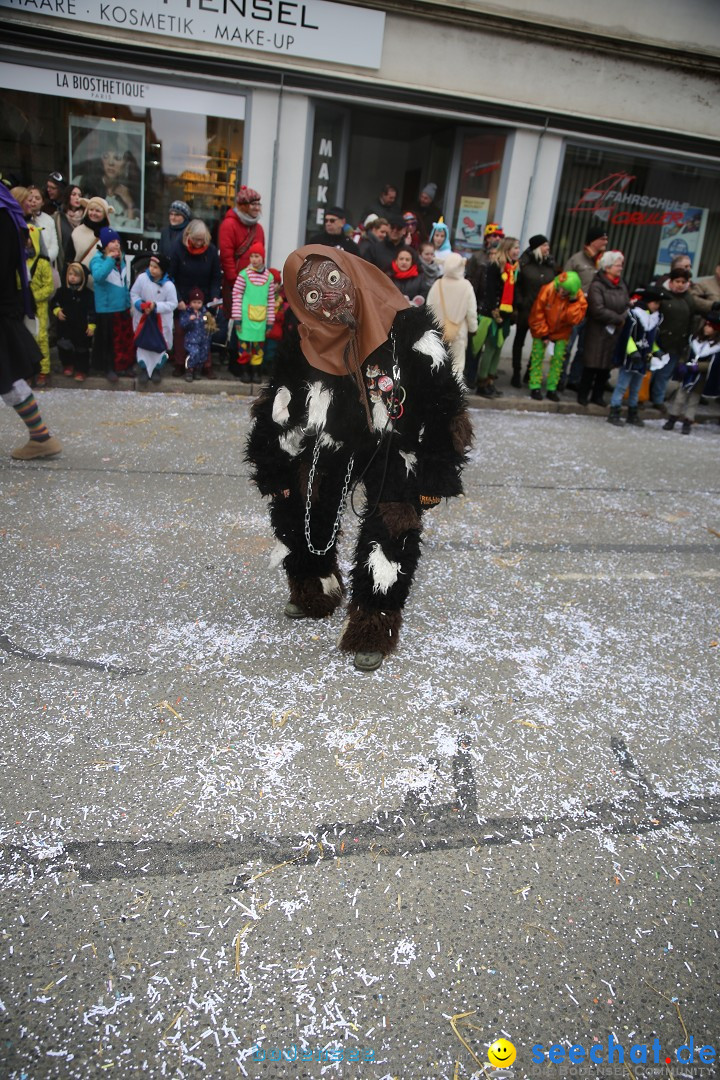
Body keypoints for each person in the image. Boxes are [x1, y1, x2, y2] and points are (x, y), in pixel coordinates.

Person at [245, 244, 472, 672]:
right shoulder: (307, 339)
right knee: (306, 503)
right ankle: (314, 586)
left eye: (332, 282)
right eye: (310, 295)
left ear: (352, 275)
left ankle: (374, 624)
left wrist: (436, 474)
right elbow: (278, 403)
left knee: (390, 531)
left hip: (394, 446)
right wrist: (271, 465)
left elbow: (446, 403)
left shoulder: (409, 328)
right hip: (335, 440)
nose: (327, 300)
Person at [0, 183, 62, 460]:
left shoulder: (3, 214)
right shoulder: (7, 213)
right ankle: (40, 436)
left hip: (2, 308)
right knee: (8, 376)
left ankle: (40, 437)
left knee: (8, 376)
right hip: (5, 306)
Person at [169, 218, 222, 378]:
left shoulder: (211, 251)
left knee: (206, 331)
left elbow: (215, 277)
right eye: (196, 239)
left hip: (204, 297)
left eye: (202, 240)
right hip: (183, 297)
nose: (199, 243)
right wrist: (177, 298)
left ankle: (206, 364)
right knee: (180, 331)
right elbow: (172, 276)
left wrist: (214, 297)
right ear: (188, 236)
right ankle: (180, 363)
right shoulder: (178, 249)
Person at [577, 249, 629, 407]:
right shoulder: (597, 285)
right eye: (618, 265)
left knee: (606, 365)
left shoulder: (622, 285)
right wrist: (618, 318)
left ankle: (597, 395)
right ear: (607, 267)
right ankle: (583, 394)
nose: (620, 268)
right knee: (592, 364)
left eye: (621, 265)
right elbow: (597, 309)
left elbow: (627, 303)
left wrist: (623, 317)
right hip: (597, 330)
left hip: (615, 331)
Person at [527, 271, 587, 402]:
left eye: (565, 291)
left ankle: (552, 388)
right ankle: (535, 386)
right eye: (561, 288)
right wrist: (543, 334)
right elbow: (537, 313)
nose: (561, 292)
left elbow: (574, 319)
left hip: (562, 334)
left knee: (558, 361)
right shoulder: (548, 290)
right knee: (537, 358)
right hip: (542, 330)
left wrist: (573, 302)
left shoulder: (578, 298)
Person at [562, 226, 609, 391]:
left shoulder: (604, 262)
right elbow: (564, 281)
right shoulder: (577, 259)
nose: (606, 242)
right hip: (575, 311)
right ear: (593, 241)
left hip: (593, 313)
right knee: (567, 347)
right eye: (602, 239)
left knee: (584, 349)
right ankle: (560, 379)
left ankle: (574, 380)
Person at [607, 287, 662, 427]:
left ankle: (632, 412)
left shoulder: (654, 319)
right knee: (622, 386)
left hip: (644, 359)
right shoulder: (634, 316)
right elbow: (627, 337)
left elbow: (651, 340)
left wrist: (656, 351)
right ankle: (614, 411)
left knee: (636, 388)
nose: (657, 307)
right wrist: (632, 351)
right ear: (648, 302)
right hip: (631, 358)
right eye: (655, 303)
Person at [474, 236, 520, 398]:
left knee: (498, 349)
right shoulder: (495, 266)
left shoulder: (513, 268)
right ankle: (482, 382)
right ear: (507, 249)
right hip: (493, 315)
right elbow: (491, 291)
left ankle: (490, 381)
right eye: (515, 247)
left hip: (506, 315)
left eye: (518, 248)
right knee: (491, 348)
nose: (517, 251)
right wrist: (495, 312)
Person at [662, 310, 720, 434]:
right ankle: (672, 418)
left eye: (710, 327)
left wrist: (697, 366)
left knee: (693, 401)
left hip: (700, 378)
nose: (707, 328)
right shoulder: (695, 340)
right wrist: (682, 363)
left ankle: (688, 421)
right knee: (679, 398)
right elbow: (685, 353)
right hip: (687, 374)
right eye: (706, 325)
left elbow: (713, 364)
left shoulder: (716, 347)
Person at [89, 226, 133, 382]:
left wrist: (128, 302)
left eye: (117, 241)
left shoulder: (121, 259)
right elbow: (98, 276)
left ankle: (124, 365)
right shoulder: (98, 259)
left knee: (124, 339)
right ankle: (108, 368)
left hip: (122, 306)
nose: (116, 244)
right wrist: (109, 259)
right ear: (105, 244)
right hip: (107, 308)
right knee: (108, 342)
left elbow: (124, 282)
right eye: (112, 241)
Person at [650, 266, 697, 412]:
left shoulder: (688, 298)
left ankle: (657, 399)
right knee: (651, 371)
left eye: (683, 281)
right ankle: (641, 397)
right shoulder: (662, 294)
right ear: (671, 281)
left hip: (677, 343)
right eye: (677, 281)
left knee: (664, 374)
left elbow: (692, 319)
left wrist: (688, 340)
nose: (680, 284)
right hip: (660, 341)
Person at [511, 234, 555, 388]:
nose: (547, 248)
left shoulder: (550, 265)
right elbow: (516, 285)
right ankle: (516, 372)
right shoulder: (523, 263)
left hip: (542, 312)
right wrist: (520, 302)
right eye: (544, 245)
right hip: (526, 309)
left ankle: (530, 373)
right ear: (536, 247)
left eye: (548, 246)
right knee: (519, 341)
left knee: (539, 343)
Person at [426, 252, 477, 383]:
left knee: (437, 364)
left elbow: (428, 307)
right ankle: (455, 395)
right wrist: (473, 328)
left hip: (437, 331)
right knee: (457, 366)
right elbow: (471, 312)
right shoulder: (466, 286)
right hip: (458, 332)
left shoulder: (437, 284)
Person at [230, 241, 276, 382]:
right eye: (252, 256)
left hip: (261, 320)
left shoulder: (269, 277)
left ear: (263, 258)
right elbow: (236, 295)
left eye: (257, 256)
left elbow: (271, 300)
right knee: (244, 347)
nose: (254, 260)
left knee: (258, 348)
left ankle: (256, 372)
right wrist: (237, 317)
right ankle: (244, 372)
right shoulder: (243, 275)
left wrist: (270, 321)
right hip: (245, 319)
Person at [130, 252, 178, 386]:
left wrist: (156, 306)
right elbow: (134, 293)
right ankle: (144, 369)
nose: (152, 269)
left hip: (160, 321)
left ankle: (156, 369)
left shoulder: (169, 286)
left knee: (158, 344)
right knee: (144, 343)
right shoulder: (141, 279)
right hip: (144, 319)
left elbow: (173, 303)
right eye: (151, 266)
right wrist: (140, 304)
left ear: (163, 270)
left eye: (156, 267)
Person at [218, 185, 264, 317]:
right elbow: (226, 256)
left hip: (255, 284)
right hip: (236, 283)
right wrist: (234, 281)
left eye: (258, 204)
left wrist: (260, 280)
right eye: (252, 204)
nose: (257, 207)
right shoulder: (229, 224)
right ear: (243, 205)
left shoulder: (259, 228)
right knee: (236, 317)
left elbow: (262, 256)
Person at [51, 262, 95, 382]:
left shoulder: (88, 294)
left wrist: (91, 325)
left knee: (82, 349)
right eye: (70, 274)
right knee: (64, 346)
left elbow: (92, 311)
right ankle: (67, 364)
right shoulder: (62, 292)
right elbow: (54, 303)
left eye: (76, 275)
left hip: (81, 327)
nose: (72, 277)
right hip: (65, 326)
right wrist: (57, 310)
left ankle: (82, 370)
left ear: (83, 278)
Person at [23, 222, 54, 387]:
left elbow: (48, 286)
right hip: (23, 306)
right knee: (24, 338)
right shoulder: (20, 261)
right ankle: (27, 372)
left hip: (39, 306)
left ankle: (44, 370)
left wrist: (33, 297)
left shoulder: (42, 262)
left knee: (41, 338)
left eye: (29, 237)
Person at [12, 185, 59, 266]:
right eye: (30, 200)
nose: (32, 202)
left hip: (40, 268)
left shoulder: (38, 223)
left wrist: (42, 260)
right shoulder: (11, 222)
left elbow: (47, 249)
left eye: (37, 198)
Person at [65, 197, 112, 275]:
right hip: (79, 282)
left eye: (97, 211)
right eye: (91, 210)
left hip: (102, 284)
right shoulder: (77, 232)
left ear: (105, 215)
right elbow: (68, 260)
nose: (93, 213)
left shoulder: (110, 235)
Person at [179, 288, 216, 382]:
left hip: (204, 339)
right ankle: (189, 370)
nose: (196, 304)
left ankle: (197, 370)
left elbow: (210, 325)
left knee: (202, 354)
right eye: (194, 302)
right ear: (190, 302)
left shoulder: (205, 313)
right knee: (193, 353)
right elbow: (182, 324)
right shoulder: (187, 312)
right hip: (191, 339)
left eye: (199, 302)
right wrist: (189, 320)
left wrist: (211, 324)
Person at [53, 184, 84, 276]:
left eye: (79, 195)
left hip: (81, 266)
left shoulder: (86, 219)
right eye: (73, 194)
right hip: (63, 264)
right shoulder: (58, 218)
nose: (77, 198)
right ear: (67, 196)